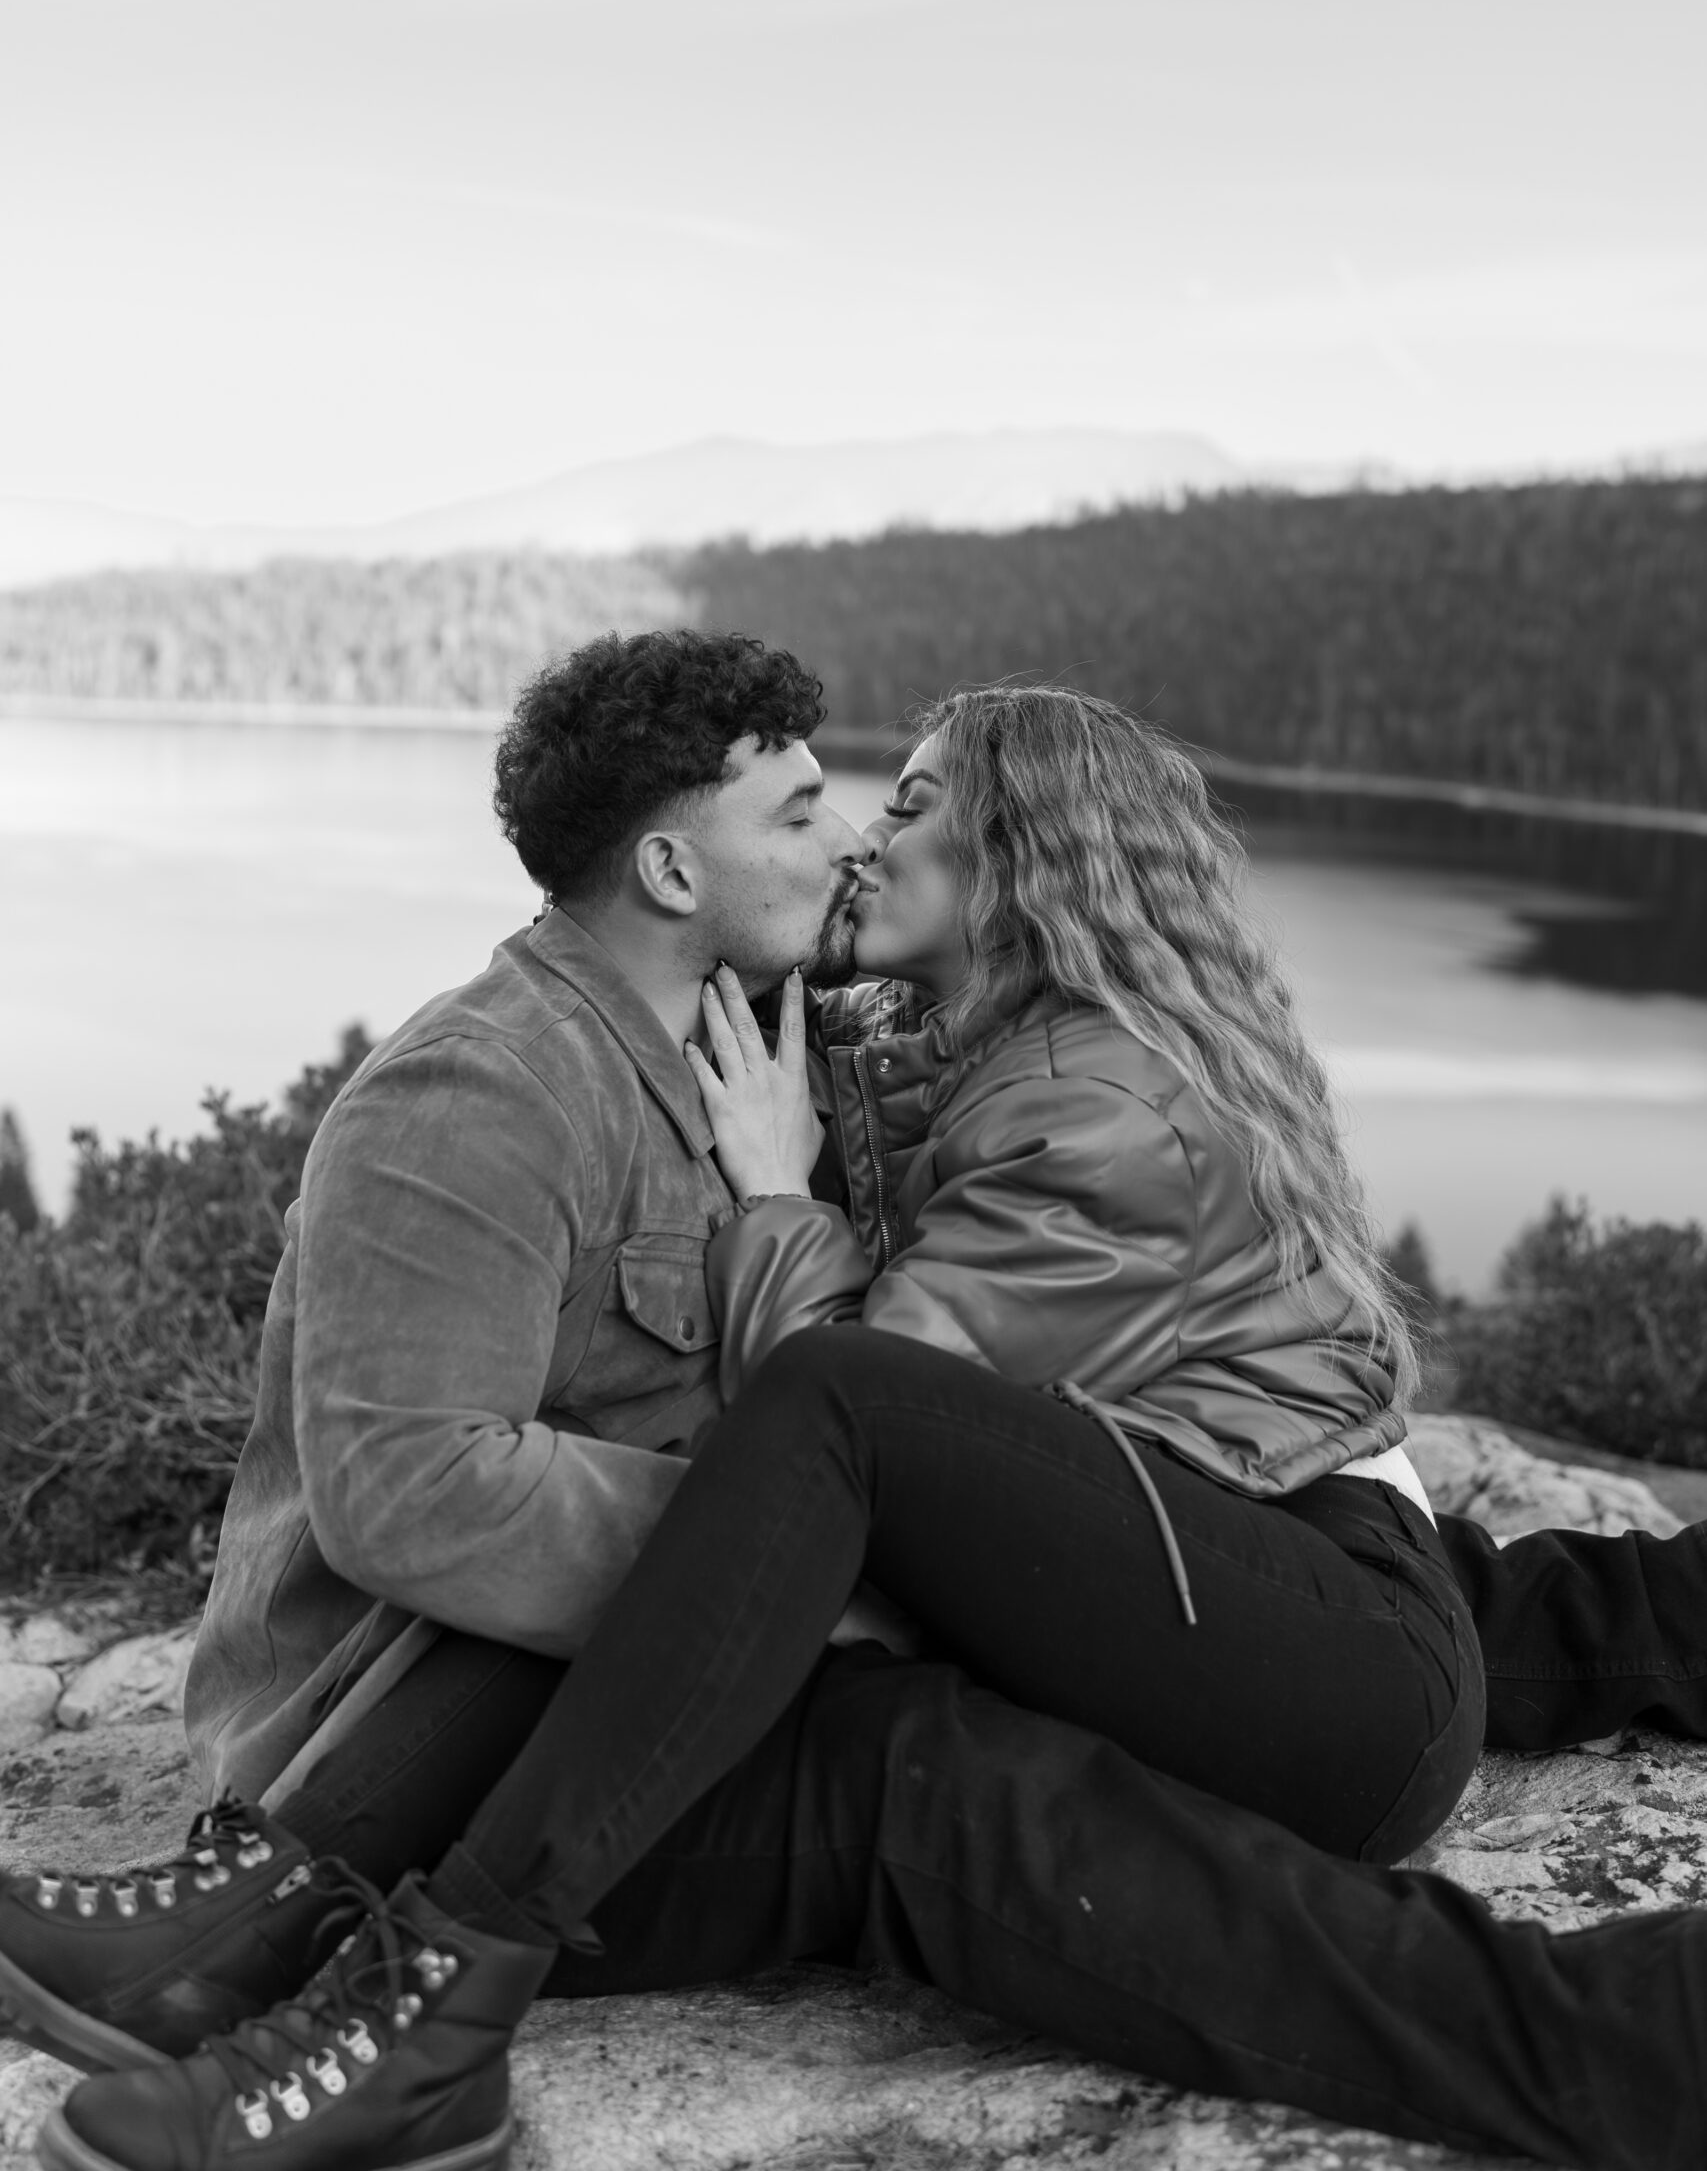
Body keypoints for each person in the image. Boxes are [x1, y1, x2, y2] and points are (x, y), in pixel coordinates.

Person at [2, 629, 1705, 2171]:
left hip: (1279, 1605)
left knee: (907, 1620)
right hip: (497, 1716)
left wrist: (777, 1300)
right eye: (810, 812)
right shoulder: (521, 1079)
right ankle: (323, 1946)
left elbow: (879, 1405)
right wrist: (768, 1560)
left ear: (1019, 869)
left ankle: (420, 1990)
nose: (857, 843)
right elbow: (429, 1495)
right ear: (677, 866)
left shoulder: (968, 1070)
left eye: (887, 809)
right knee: (945, 1718)